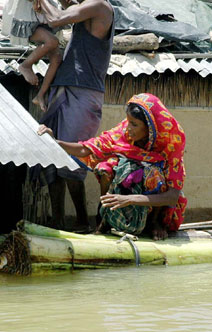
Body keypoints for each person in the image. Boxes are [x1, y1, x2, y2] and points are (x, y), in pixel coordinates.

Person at [35, 0, 115, 233]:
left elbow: (57, 19)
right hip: (65, 88)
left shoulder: (98, 5)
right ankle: (57, 223)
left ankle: (81, 223)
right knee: (52, 161)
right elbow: (67, 7)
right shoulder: (87, 3)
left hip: (84, 93)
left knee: (72, 163)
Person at [38, 93, 186, 240]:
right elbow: (86, 148)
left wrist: (130, 199)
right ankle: (104, 219)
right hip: (124, 193)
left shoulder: (171, 144)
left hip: (150, 202)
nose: (128, 128)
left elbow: (172, 197)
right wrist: (56, 143)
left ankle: (155, 222)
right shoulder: (124, 132)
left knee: (154, 174)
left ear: (150, 127)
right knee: (106, 167)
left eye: (134, 124)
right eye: (128, 122)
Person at [0, 0, 70, 111]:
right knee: (52, 42)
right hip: (27, 21)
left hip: (42, 21)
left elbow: (62, 1)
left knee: (57, 58)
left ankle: (40, 95)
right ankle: (26, 65)